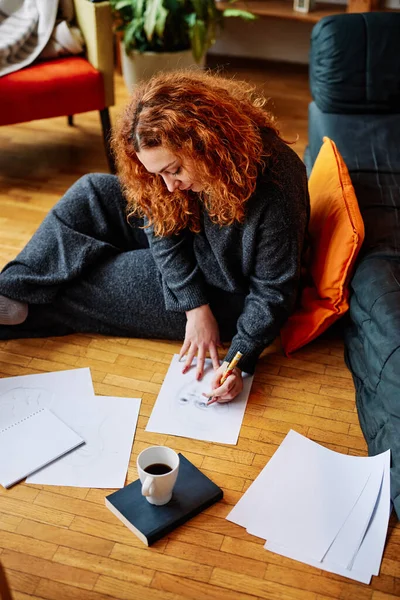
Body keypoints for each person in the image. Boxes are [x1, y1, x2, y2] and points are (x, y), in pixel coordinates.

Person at [0, 70, 310, 404]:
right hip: (196, 257)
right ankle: (9, 292)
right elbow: (160, 215)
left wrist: (238, 358)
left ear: (206, 141)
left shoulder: (276, 191)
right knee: (91, 191)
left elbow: (273, 292)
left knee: (94, 277)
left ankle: (21, 312)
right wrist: (194, 307)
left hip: (226, 291)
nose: (169, 185)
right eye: (158, 174)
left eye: (173, 170)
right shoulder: (180, 176)